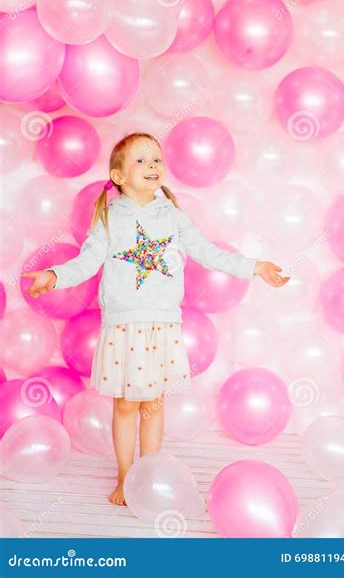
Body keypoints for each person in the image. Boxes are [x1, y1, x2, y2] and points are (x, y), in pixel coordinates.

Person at [22, 132, 290, 506]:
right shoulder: (109, 218)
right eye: (141, 161)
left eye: (156, 160)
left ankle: (145, 476)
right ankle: (124, 475)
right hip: (124, 324)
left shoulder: (173, 215)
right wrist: (54, 276)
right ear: (118, 175)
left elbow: (206, 252)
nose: (152, 166)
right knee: (126, 404)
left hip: (161, 324)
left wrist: (254, 266)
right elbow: (87, 261)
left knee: (153, 403)